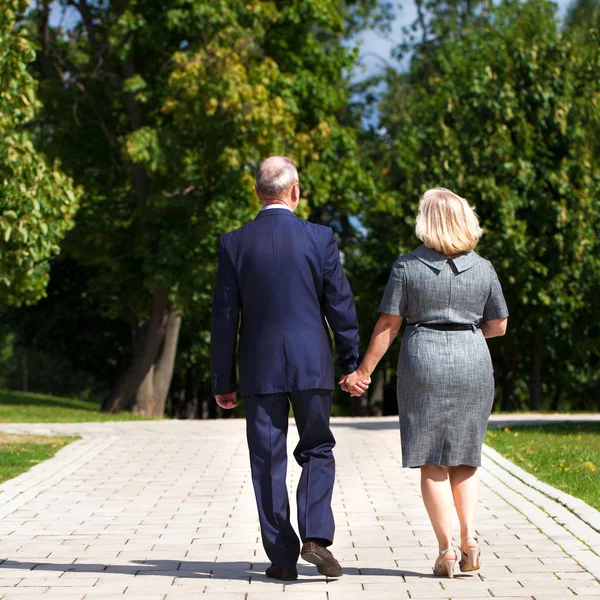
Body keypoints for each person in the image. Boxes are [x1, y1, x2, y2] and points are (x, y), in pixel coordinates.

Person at [211, 156, 369, 581]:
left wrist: (222, 381)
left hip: (259, 369)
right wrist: (350, 362)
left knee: (266, 459)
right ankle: (315, 537)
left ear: (258, 192)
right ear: (294, 190)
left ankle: (282, 558)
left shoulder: (234, 243)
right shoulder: (320, 238)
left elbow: (225, 318)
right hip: (311, 363)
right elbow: (341, 305)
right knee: (317, 447)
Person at [342, 188, 508, 579]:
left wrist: (362, 372)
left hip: (423, 361)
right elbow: (499, 326)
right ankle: (470, 541)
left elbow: (388, 325)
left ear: (426, 223)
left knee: (432, 460)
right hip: (473, 360)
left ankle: (445, 551)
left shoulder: (407, 267)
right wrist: (465, 338)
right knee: (466, 457)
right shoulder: (484, 268)